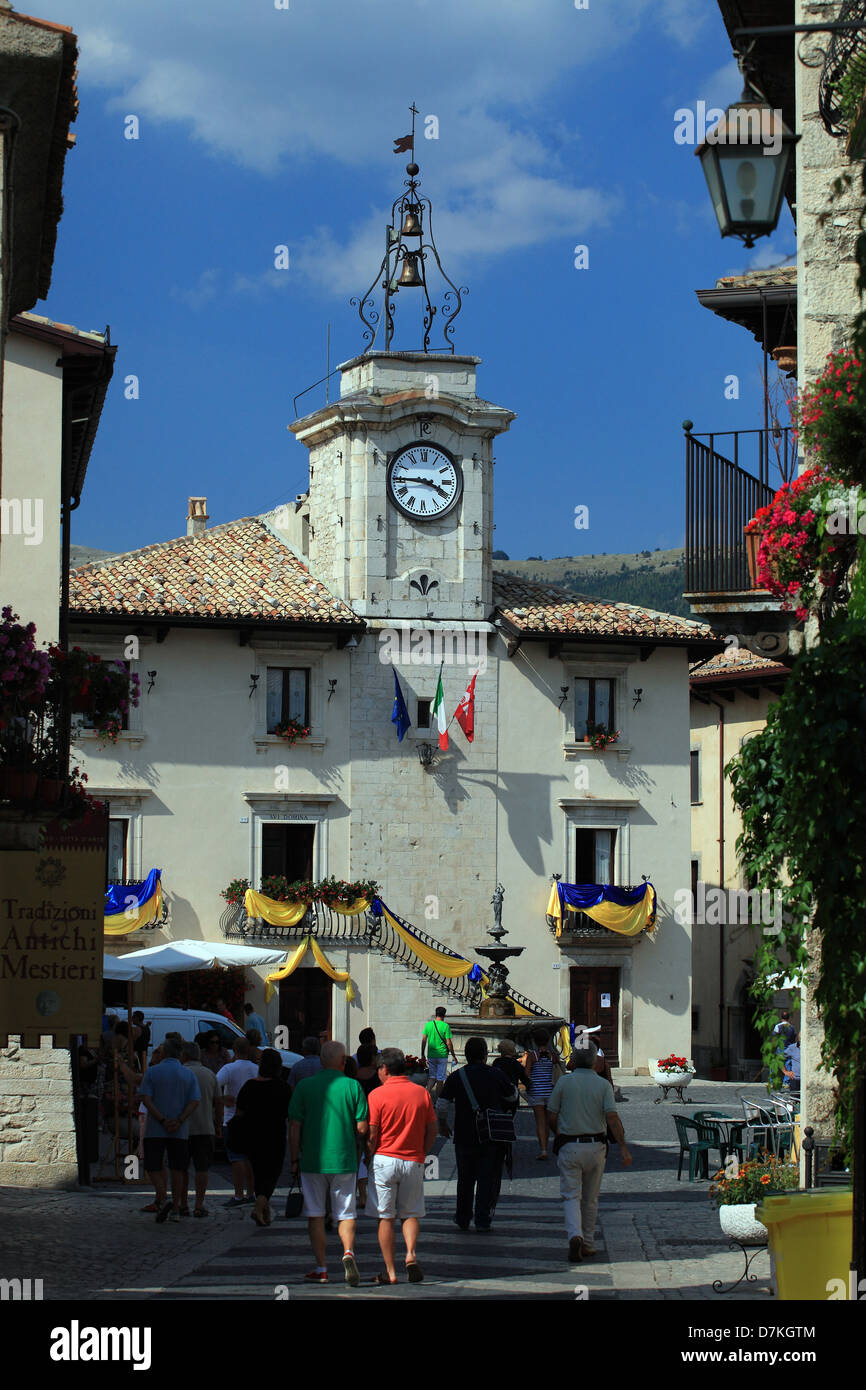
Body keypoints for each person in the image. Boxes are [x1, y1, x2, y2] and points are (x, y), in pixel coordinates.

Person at [288, 1040, 369, 1286]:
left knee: (315, 1214)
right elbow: (363, 1127)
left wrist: (294, 1159)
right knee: (346, 1213)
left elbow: (294, 1127)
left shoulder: (304, 1086)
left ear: (321, 1061)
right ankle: (347, 1252)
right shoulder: (353, 1086)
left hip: (312, 1160)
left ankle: (321, 1268)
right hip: (344, 1160)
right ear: (343, 1062)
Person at [546, 1039, 631, 1263]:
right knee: (591, 1199)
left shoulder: (564, 1082)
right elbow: (612, 1118)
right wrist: (623, 1148)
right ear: (594, 1061)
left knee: (571, 1196)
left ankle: (575, 1235)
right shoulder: (603, 1086)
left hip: (569, 1145)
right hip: (596, 1146)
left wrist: (559, 1132)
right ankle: (590, 1243)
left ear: (573, 1060)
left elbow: (551, 1114)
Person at [367, 1048, 437, 1286]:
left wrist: (369, 1154)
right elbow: (432, 1130)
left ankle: (390, 1271)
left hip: (384, 1159)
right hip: (413, 1160)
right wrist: (422, 1152)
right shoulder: (421, 1093)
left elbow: (373, 1132)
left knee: (385, 1217)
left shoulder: (377, 1095)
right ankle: (410, 1254)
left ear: (384, 1069)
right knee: (410, 1213)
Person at [437, 1036, 516, 1233]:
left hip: (464, 1133)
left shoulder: (457, 1076)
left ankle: (463, 1216)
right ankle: (482, 1218)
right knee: (487, 1177)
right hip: (490, 1134)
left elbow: (442, 1104)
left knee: (465, 1178)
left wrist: (442, 1124)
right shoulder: (495, 1074)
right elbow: (512, 1096)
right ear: (485, 1054)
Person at [138, 1039, 201, 1223]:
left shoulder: (152, 1072)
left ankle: (162, 1194)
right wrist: (180, 1119)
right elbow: (195, 1101)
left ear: (164, 1052)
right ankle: (175, 1207)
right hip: (179, 1129)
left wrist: (162, 1119)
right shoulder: (188, 1074)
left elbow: (146, 1099)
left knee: (153, 1165)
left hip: (155, 1128)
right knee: (178, 1168)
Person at [236, 1048, 291, 1227]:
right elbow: (290, 1114)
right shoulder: (283, 1088)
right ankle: (259, 1207)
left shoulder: (248, 1087)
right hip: (275, 1135)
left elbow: (239, 1113)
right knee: (272, 1172)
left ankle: (264, 1212)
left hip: (252, 1135)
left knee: (259, 1173)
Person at [180, 1041, 222, 1218]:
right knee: (202, 1168)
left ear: (185, 1055)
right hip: (205, 1127)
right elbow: (218, 1102)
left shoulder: (181, 1073)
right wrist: (218, 1124)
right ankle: (199, 1204)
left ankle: (182, 1204)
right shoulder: (209, 1074)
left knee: (181, 1168)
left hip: (182, 1129)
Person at [217, 1038, 258, 1207]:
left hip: (232, 1118)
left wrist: (221, 1098)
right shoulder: (256, 1069)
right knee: (249, 1159)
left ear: (234, 1049)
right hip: (252, 1118)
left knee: (236, 1159)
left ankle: (238, 1194)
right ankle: (251, 1192)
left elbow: (214, 1084)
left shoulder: (229, 1068)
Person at [522, 1028, 563, 1160]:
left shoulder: (532, 1056)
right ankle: (561, 1140)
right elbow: (559, 1070)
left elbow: (527, 1075)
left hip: (536, 1092)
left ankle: (544, 1150)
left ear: (535, 1041)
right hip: (550, 1091)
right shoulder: (552, 1056)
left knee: (540, 1122)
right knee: (552, 1120)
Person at [421, 1007, 457, 1098]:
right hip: (442, 1055)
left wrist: (422, 1054)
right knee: (440, 1079)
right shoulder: (445, 1026)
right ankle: (437, 1101)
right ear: (444, 1015)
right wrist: (453, 1055)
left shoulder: (428, 1025)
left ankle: (424, 1096)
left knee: (432, 1077)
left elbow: (424, 1040)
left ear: (436, 1014)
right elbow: (448, 1042)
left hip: (431, 1055)